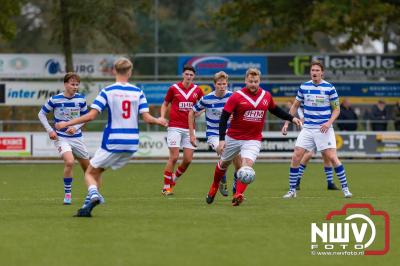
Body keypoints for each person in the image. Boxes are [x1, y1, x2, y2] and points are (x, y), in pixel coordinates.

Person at [55, 58, 167, 217]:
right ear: (130, 72)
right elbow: (147, 118)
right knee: (98, 171)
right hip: (132, 144)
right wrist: (159, 120)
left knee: (89, 173)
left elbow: (91, 116)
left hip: (113, 141)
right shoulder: (138, 92)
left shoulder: (107, 91)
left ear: (114, 71)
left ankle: (94, 195)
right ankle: (86, 208)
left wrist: (67, 123)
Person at [205, 68, 302, 206]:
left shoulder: (266, 96)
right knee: (224, 164)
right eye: (250, 81)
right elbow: (224, 118)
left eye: (256, 81)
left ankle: (238, 195)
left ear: (259, 81)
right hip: (233, 137)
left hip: (253, 139)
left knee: (247, 167)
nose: (253, 84)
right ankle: (214, 186)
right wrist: (221, 140)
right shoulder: (236, 96)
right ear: (245, 81)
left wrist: (292, 119)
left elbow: (275, 110)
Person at [282, 60, 352, 199]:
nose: (314, 73)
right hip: (307, 128)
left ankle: (345, 189)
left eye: (317, 71)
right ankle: (292, 190)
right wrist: (287, 122)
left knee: (332, 157)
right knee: (296, 155)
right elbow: (295, 106)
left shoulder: (329, 88)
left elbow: (337, 110)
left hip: (323, 128)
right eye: (312, 70)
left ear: (322, 73)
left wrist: (328, 122)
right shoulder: (304, 87)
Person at [38, 72, 90, 205]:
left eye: (77, 84)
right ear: (65, 84)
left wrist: (76, 127)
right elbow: (41, 114)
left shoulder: (81, 99)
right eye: (72, 84)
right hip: (61, 137)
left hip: (77, 138)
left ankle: (92, 193)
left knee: (88, 169)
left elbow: (85, 118)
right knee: (70, 162)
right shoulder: (55, 99)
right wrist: (50, 130)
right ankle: (68, 194)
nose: (75, 87)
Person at [188, 71, 241, 197]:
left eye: (224, 84)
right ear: (214, 85)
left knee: (238, 164)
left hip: (230, 133)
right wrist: (192, 134)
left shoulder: (233, 97)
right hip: (214, 134)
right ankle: (222, 178)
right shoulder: (206, 99)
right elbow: (191, 112)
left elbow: (241, 112)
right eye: (219, 84)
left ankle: (234, 186)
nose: (222, 86)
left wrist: (236, 117)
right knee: (222, 150)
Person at [160, 64, 204, 196]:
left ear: (194, 76)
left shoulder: (197, 90)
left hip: (190, 128)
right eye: (187, 74)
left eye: (191, 75)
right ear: (183, 74)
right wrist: (162, 117)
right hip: (174, 127)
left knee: (188, 160)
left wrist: (199, 112)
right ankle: (166, 187)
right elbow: (165, 103)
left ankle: (173, 179)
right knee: (173, 157)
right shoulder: (173, 88)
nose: (189, 77)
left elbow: (204, 104)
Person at [282, 105, 339, 191]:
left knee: (326, 155)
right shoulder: (305, 93)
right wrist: (302, 118)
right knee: (308, 154)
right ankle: (297, 180)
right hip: (309, 127)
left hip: (322, 126)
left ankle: (330, 182)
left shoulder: (325, 94)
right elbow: (297, 106)